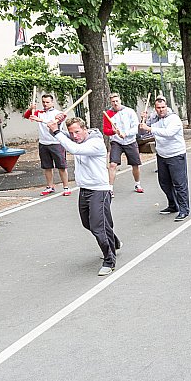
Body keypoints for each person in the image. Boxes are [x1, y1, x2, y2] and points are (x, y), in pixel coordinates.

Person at [47, 117, 121, 276]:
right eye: (71, 133)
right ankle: (113, 241)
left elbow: (73, 149)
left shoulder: (95, 143)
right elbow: (55, 133)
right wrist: (56, 124)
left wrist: (56, 130)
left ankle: (109, 260)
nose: (74, 136)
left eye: (77, 132)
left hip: (99, 190)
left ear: (85, 129)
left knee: (98, 227)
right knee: (88, 223)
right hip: (84, 189)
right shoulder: (76, 140)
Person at [139, 96, 190, 221]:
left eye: (163, 107)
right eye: (158, 108)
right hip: (162, 155)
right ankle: (173, 205)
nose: (161, 110)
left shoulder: (174, 119)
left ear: (166, 106)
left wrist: (150, 128)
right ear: (155, 108)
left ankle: (184, 209)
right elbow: (142, 133)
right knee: (164, 183)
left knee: (179, 183)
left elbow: (169, 133)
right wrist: (143, 121)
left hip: (176, 154)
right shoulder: (153, 118)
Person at [23, 93, 70, 196]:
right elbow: (27, 116)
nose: (45, 104)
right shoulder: (39, 112)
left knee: (61, 166)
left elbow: (52, 123)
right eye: (43, 102)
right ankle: (50, 186)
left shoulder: (59, 113)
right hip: (43, 143)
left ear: (52, 102)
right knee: (47, 166)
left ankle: (66, 187)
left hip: (56, 143)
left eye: (47, 102)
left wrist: (40, 120)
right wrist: (30, 109)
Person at [103, 93, 144, 196]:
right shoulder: (108, 114)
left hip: (130, 141)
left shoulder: (129, 111)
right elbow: (106, 130)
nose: (115, 103)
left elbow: (135, 128)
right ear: (111, 103)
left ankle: (137, 184)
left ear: (120, 100)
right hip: (116, 142)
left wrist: (126, 133)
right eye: (113, 101)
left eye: (117, 101)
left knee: (135, 164)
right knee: (112, 164)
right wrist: (113, 132)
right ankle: (110, 188)